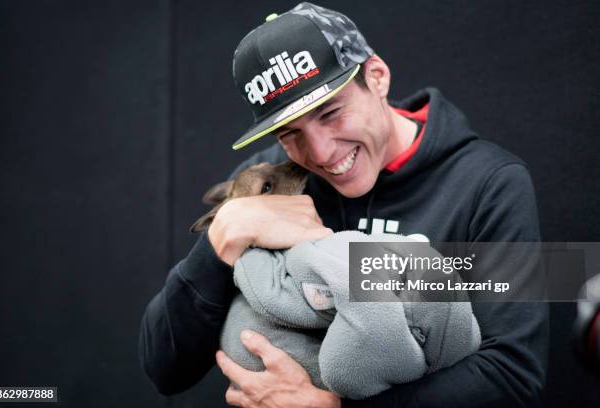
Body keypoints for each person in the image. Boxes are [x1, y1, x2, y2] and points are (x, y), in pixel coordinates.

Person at [139, 3, 548, 407]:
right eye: (289, 133)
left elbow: (512, 373)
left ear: (377, 76)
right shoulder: (272, 183)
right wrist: (221, 239)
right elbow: (164, 369)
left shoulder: (489, 182)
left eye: (331, 112)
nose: (320, 152)